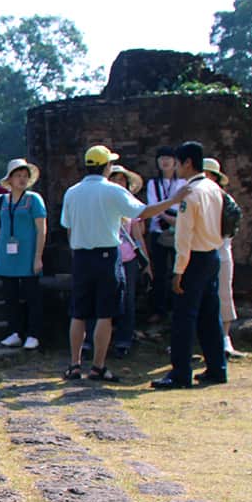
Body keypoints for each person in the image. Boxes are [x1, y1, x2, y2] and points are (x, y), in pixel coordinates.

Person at [60, 145, 183, 382]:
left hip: (81, 257)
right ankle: (97, 366)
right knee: (105, 314)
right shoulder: (113, 191)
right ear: (106, 166)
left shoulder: (72, 192)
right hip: (106, 255)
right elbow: (143, 212)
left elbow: (69, 227)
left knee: (79, 313)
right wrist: (173, 201)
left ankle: (74, 365)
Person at [151, 142, 227, 390]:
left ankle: (180, 372)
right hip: (212, 254)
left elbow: (184, 236)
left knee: (184, 317)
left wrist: (178, 271)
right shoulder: (214, 188)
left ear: (187, 163)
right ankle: (217, 368)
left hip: (193, 258)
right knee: (209, 315)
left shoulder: (190, 193)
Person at [0, 158, 46, 350]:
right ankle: (14, 332)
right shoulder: (2, 200)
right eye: (18, 176)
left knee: (32, 296)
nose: (22, 179)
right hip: (7, 255)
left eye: (25, 176)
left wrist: (38, 256)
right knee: (10, 296)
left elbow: (42, 229)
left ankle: (33, 334)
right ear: (10, 179)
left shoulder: (33, 199)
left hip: (27, 255)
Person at [202, 158, 241, 356]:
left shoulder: (226, 200)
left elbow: (229, 228)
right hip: (199, 253)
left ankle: (225, 338)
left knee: (224, 294)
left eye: (209, 174)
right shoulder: (195, 196)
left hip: (220, 250)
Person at [107, 164, 147, 357]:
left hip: (128, 257)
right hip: (107, 256)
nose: (118, 183)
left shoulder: (131, 204)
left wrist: (146, 262)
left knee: (128, 300)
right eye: (114, 179)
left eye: (121, 179)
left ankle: (124, 340)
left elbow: (138, 235)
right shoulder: (102, 202)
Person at [144, 146, 185, 323]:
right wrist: (166, 216)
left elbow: (182, 207)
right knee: (159, 272)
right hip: (158, 230)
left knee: (179, 270)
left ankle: (178, 309)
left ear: (175, 161)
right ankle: (159, 310)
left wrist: (167, 214)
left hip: (179, 231)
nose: (165, 162)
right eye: (161, 159)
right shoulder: (153, 183)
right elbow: (152, 208)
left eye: (168, 158)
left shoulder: (183, 183)